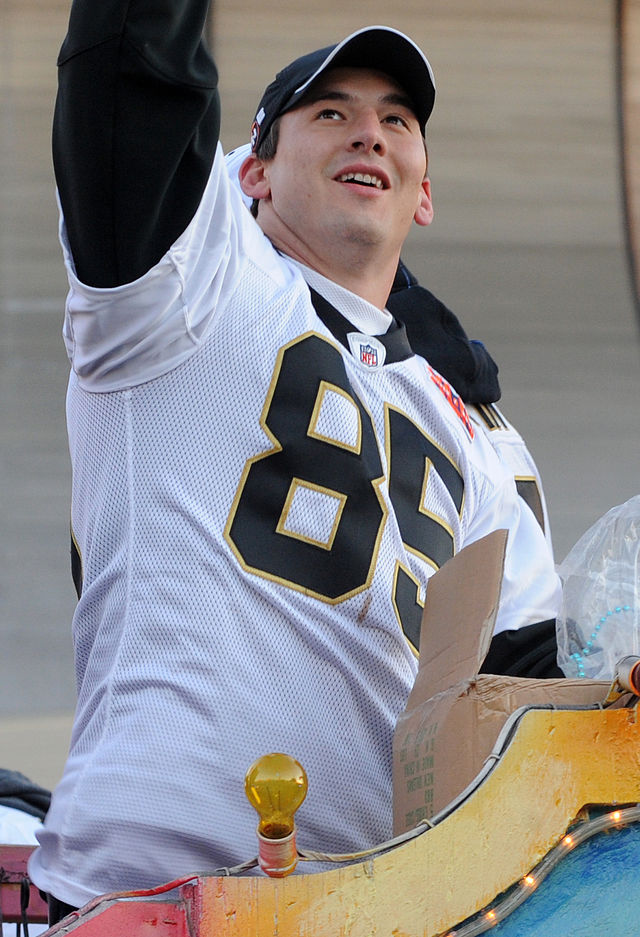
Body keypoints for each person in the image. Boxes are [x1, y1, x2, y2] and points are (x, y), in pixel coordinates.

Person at [29, 0, 561, 919]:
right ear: (255, 171)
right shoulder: (186, 293)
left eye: (398, 119)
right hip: (152, 898)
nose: (370, 131)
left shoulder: (482, 434)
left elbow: (531, 700)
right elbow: (134, 78)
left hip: (379, 909)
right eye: (330, 112)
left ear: (424, 191)